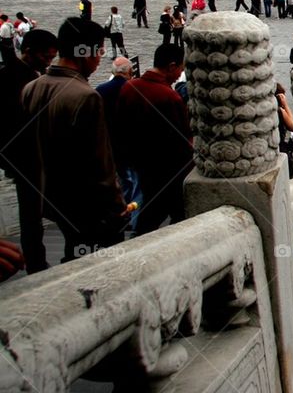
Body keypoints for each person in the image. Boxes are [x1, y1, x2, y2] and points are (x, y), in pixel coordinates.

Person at [19, 19, 127, 269]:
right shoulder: (85, 96)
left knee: (74, 255)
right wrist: (117, 208)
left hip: (51, 198)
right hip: (88, 205)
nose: (99, 59)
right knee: (97, 266)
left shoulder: (31, 88)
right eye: (99, 52)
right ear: (85, 51)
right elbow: (100, 164)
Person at [117, 44, 192, 235]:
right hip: (168, 171)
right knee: (170, 215)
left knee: (150, 212)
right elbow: (182, 141)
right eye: (180, 70)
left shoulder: (129, 87)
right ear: (171, 66)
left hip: (139, 165)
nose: (179, 75)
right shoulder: (169, 97)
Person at [0, 29, 58, 273]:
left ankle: (38, 260)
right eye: (45, 57)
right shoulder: (11, 77)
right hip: (25, 158)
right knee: (31, 216)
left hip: (37, 155)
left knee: (36, 212)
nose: (49, 62)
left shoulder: (33, 74)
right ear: (28, 52)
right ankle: (36, 263)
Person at [95, 57, 141, 231]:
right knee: (135, 183)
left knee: (122, 180)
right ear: (129, 72)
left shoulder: (101, 90)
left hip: (110, 144)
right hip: (130, 144)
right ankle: (133, 218)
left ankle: (122, 212)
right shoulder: (133, 88)